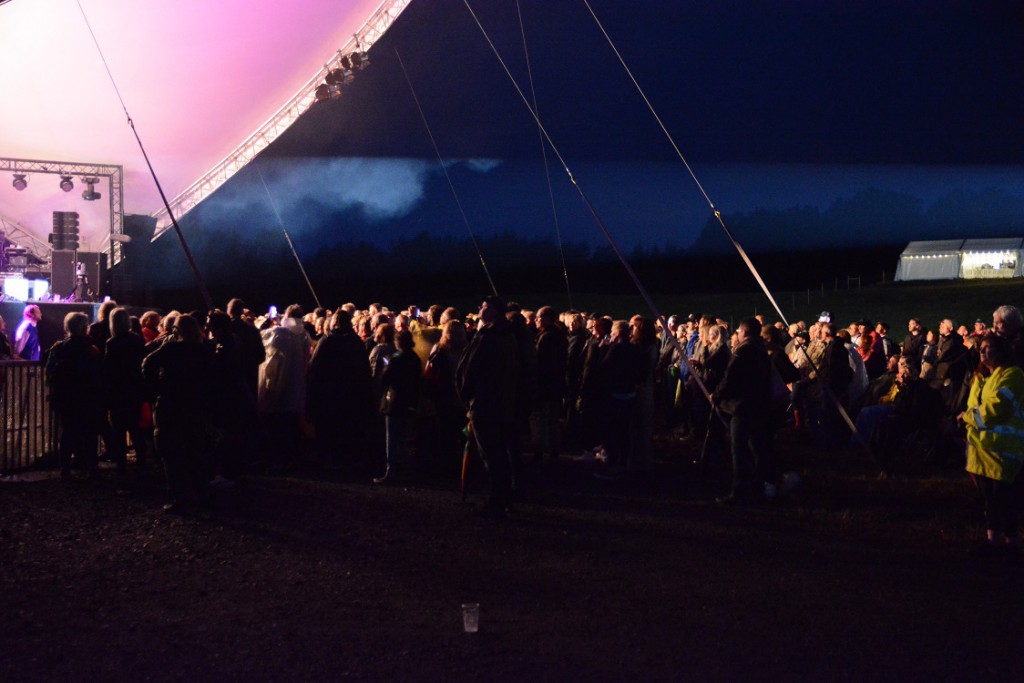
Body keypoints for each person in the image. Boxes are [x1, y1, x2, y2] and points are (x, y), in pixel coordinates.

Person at [957, 334, 1024, 557]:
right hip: (982, 450)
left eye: (988, 348)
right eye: (981, 349)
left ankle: (1011, 543)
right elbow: (974, 404)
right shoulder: (984, 377)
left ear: (1002, 351)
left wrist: (967, 417)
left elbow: (995, 409)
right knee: (991, 501)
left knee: (1005, 499)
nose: (983, 352)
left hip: (1003, 450)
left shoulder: (1013, 375)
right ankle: (993, 542)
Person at [142, 315, 216, 512]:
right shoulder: (205, 351)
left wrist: (157, 387)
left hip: (170, 405)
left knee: (172, 453)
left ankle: (181, 498)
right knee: (196, 450)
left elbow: (147, 364)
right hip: (195, 406)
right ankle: (202, 494)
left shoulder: (172, 349)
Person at [456, 295, 519, 517]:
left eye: (483, 306)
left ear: (493, 311)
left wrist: (468, 396)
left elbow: (472, 370)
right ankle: (504, 496)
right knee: (498, 451)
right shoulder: (508, 335)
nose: (480, 309)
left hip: (486, 403)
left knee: (491, 453)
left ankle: (497, 500)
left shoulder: (490, 336)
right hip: (500, 402)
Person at [713, 317, 772, 502]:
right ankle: (761, 484)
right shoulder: (761, 349)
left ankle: (740, 490)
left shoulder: (744, 350)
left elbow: (730, 377)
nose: (737, 334)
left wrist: (717, 394)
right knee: (757, 446)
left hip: (742, 406)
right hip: (758, 405)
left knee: (738, 448)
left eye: (738, 331)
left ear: (744, 332)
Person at [306, 309, 373, 471]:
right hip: (350, 393)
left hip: (330, 393)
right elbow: (364, 369)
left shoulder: (327, 341)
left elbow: (314, 368)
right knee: (346, 426)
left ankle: (331, 458)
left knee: (331, 426)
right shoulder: (355, 342)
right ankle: (346, 457)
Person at [45, 312, 103, 478]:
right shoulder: (91, 348)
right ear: (85, 328)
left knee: (68, 430)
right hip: (87, 395)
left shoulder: (59, 348)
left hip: (65, 395)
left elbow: (49, 370)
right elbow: (97, 372)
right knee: (89, 431)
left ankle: (65, 465)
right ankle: (91, 465)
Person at [375, 329, 421, 483]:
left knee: (392, 437)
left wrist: (386, 367)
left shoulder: (395, 358)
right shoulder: (415, 358)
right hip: (408, 402)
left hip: (394, 401)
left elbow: (385, 380)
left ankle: (391, 471)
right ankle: (406, 469)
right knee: (403, 437)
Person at [103, 307, 146, 472]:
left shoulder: (112, 343)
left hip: (117, 390)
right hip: (134, 388)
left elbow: (109, 368)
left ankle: (121, 463)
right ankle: (141, 459)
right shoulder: (136, 339)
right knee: (135, 426)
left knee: (118, 429)